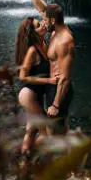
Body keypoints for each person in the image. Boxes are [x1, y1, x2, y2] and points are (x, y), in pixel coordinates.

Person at [23, 0, 75, 134]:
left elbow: (65, 78)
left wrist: (56, 104)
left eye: (45, 20)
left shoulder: (65, 41)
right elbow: (42, 8)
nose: (43, 22)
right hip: (51, 85)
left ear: (53, 20)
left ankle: (64, 155)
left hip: (59, 90)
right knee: (60, 129)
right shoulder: (55, 29)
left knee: (54, 133)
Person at [15, 16, 59, 151]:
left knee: (31, 130)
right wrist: (49, 80)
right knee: (46, 133)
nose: (43, 25)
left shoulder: (43, 44)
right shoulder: (32, 51)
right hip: (28, 95)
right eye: (39, 25)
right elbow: (22, 77)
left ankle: (24, 162)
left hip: (36, 95)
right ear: (33, 33)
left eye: (41, 22)